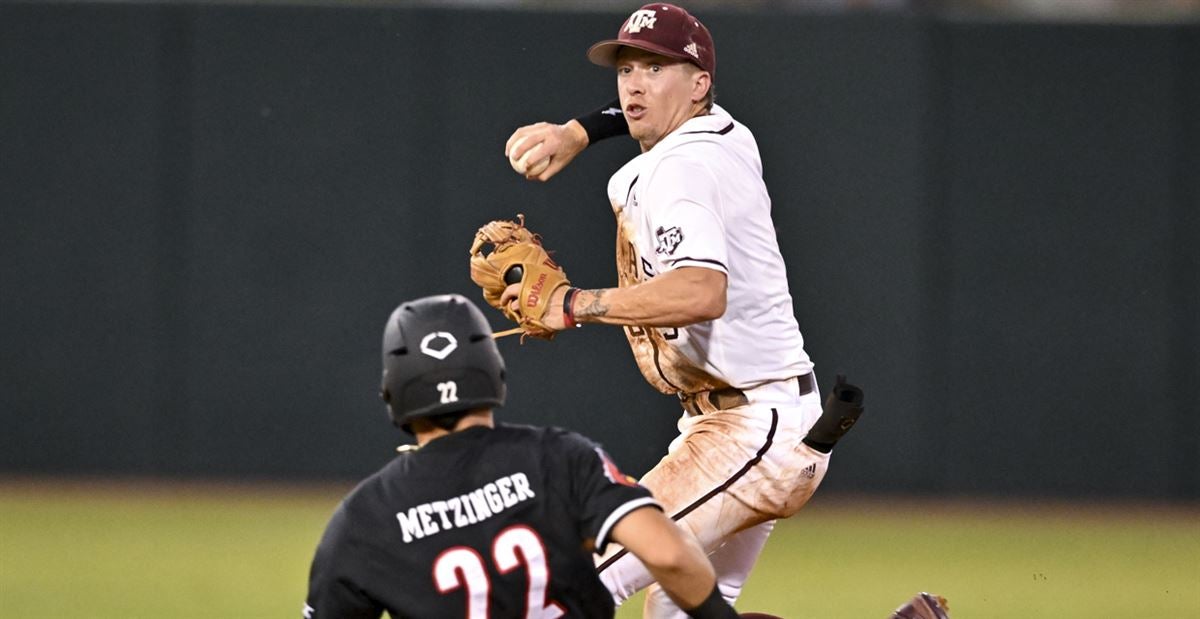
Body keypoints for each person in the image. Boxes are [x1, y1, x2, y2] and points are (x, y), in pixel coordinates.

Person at [500, 4, 851, 618]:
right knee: (683, 611)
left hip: (749, 433)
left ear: (699, 84)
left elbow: (699, 292)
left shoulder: (679, 169)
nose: (634, 84)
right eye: (626, 68)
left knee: (572, 585)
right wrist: (580, 130)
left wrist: (576, 304)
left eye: (657, 68)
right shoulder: (724, 132)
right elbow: (643, 111)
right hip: (767, 416)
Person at [302, 294, 741, 619]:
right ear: (494, 372)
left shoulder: (364, 518)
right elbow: (667, 554)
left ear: (392, 392)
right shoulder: (560, 457)